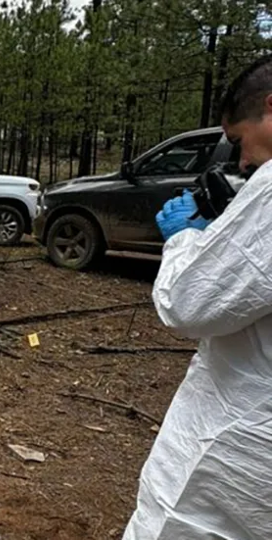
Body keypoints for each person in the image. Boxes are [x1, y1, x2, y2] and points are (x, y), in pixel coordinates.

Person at [123, 54, 272, 539]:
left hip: (238, 443)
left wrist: (186, 237)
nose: (242, 161)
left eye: (237, 141)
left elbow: (190, 302)